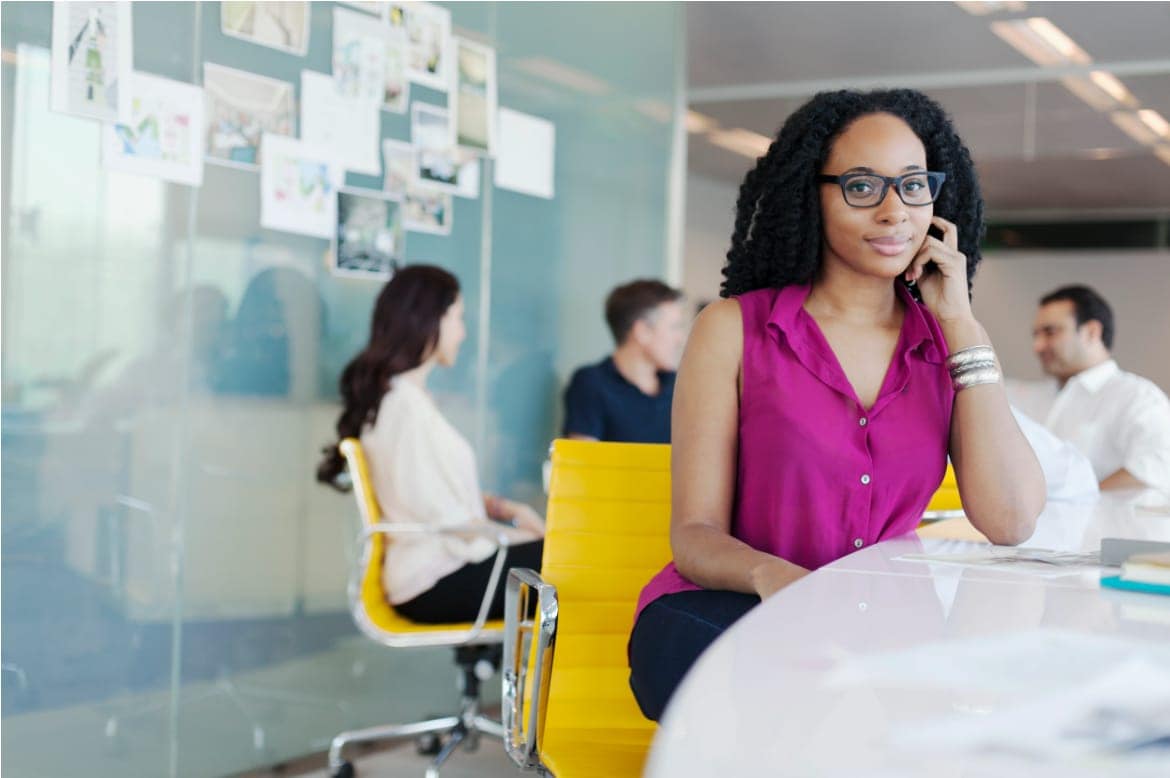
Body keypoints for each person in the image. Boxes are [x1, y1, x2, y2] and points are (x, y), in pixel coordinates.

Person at [627, 89, 1046, 721]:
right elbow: (694, 536)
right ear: (811, 196)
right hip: (742, 620)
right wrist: (776, 578)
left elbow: (1011, 519)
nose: (893, 212)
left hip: (884, 639)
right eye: (860, 186)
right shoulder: (734, 328)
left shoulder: (944, 342)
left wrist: (960, 322)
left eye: (912, 185)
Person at [317, 265, 544, 623]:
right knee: (575, 566)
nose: (463, 333)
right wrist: (518, 535)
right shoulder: (405, 409)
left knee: (565, 560)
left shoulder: (401, 401)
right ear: (429, 321)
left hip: (439, 569)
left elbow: (437, 500)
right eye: (457, 318)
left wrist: (507, 511)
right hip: (436, 579)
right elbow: (453, 525)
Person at [1018, 284, 1170, 493]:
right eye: (1036, 335)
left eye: (1050, 332)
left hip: (1114, 525)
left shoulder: (1137, 397)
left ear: (1091, 332)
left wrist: (1077, 501)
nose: (1038, 346)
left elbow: (1155, 467)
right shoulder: (1038, 397)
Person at [562, 280, 687, 443]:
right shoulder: (591, 383)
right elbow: (582, 462)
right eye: (674, 327)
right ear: (642, 331)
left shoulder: (679, 385)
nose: (681, 339)